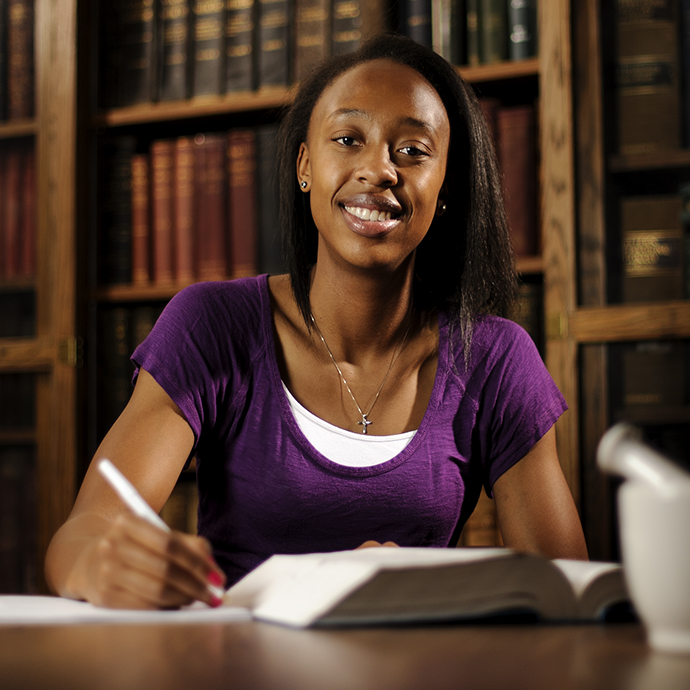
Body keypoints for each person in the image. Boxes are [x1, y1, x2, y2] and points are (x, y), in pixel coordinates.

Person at [45, 33, 588, 610]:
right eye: (348, 139)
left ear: (445, 185)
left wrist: (434, 578)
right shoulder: (212, 327)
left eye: (412, 151)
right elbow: (83, 533)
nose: (379, 170)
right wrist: (101, 562)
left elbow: (567, 592)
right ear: (307, 165)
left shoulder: (495, 358)